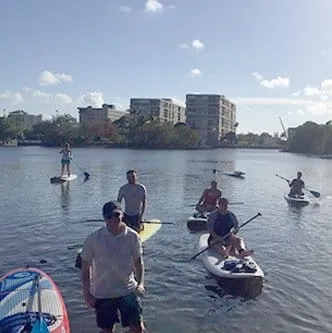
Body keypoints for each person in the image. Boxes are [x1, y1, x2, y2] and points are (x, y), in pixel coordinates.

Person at [80, 201, 145, 333]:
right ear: (104, 218)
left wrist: (141, 283)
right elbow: (85, 268)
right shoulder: (93, 238)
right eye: (109, 217)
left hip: (127, 290)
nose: (113, 219)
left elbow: (138, 262)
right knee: (106, 329)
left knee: (138, 328)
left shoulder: (133, 236)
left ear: (122, 214)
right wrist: (87, 293)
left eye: (116, 215)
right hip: (103, 292)